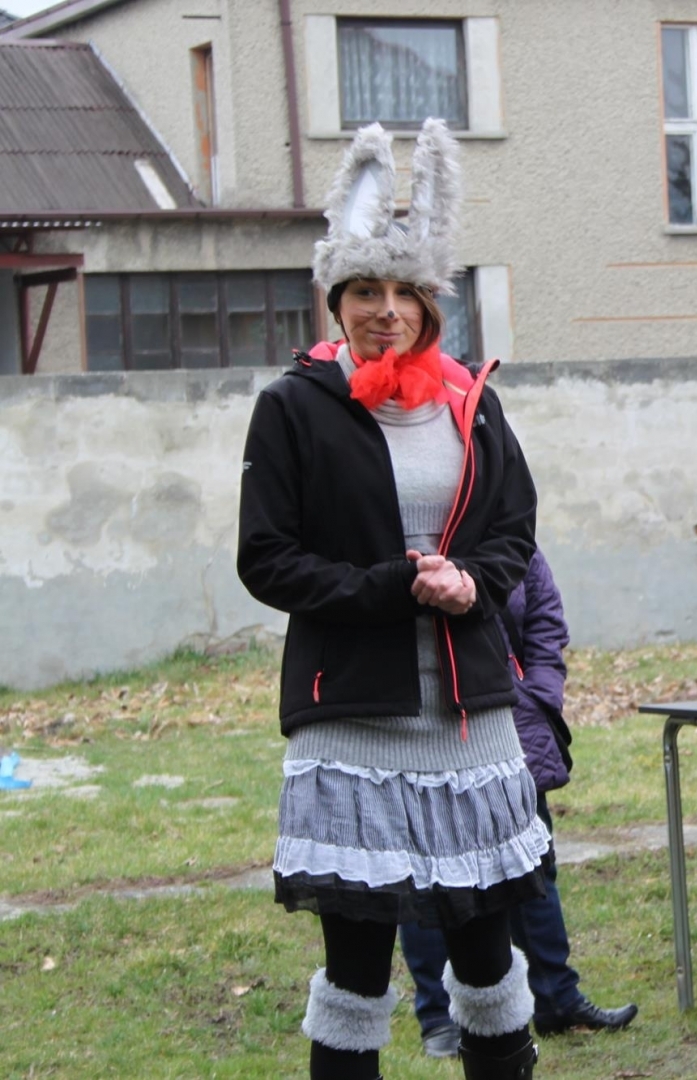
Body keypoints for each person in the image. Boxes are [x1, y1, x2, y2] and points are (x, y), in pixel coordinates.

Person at [237, 121, 544, 1080]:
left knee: (488, 957)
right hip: (352, 718)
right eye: (364, 291)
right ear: (337, 301)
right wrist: (384, 588)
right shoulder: (295, 406)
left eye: (403, 292)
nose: (385, 311)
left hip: (465, 720)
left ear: (429, 302)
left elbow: (513, 531)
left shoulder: (470, 401)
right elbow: (266, 558)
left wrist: (473, 582)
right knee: (357, 968)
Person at [399, 547, 638, 1057]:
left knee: (533, 865)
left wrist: (539, 693)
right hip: (426, 729)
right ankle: (440, 1019)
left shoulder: (507, 534)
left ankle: (556, 998)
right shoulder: (407, 538)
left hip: (514, 725)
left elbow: (547, 620)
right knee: (428, 874)